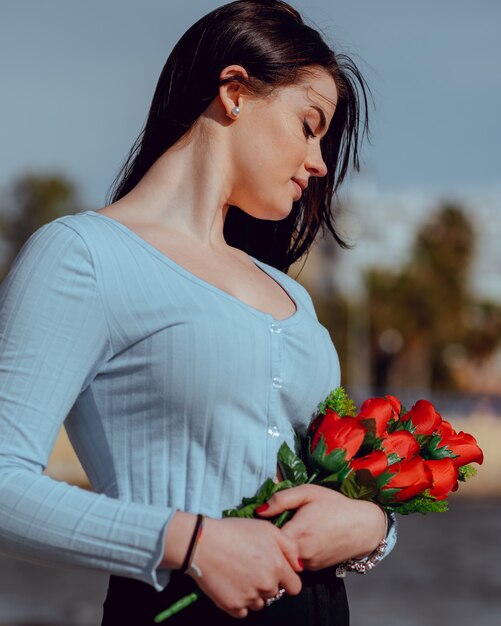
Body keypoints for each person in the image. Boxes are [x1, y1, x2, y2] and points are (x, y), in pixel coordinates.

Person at [0, 1, 396, 624]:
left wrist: (375, 525)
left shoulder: (292, 295)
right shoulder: (85, 255)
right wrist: (191, 543)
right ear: (235, 92)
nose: (320, 163)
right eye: (309, 125)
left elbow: (331, 491)